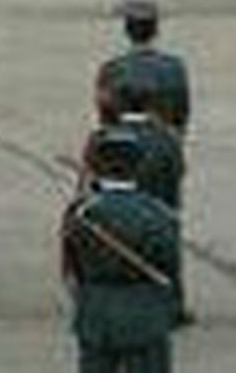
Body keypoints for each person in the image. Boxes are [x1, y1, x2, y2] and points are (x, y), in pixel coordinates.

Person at [61, 129, 180, 373]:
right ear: (138, 166)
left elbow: (71, 265)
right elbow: (170, 265)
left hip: (97, 311)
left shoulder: (82, 213)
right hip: (146, 313)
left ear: (99, 165)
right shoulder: (158, 213)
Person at [82, 94, 190, 326]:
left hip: (108, 208)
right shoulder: (166, 138)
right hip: (160, 205)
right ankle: (172, 308)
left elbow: (90, 172)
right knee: (163, 260)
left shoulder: (102, 136)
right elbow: (177, 172)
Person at [96, 0, 192, 136]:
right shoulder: (174, 67)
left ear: (127, 31)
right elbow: (181, 116)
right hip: (163, 145)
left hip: (123, 146)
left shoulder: (111, 70)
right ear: (155, 31)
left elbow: (106, 118)